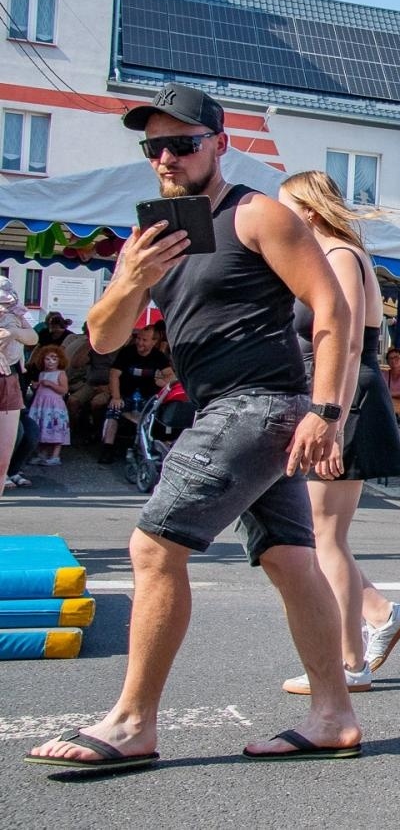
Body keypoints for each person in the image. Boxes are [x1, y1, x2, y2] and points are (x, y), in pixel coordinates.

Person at [26, 83, 360, 771]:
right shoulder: (152, 238)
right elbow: (105, 336)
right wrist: (131, 279)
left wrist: (326, 412)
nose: (168, 157)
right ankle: (333, 714)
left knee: (152, 548)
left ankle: (131, 722)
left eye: (183, 143)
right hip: (224, 408)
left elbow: (333, 307)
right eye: (155, 146)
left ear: (219, 143)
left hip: (261, 401)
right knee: (289, 559)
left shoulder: (256, 214)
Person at [276, 170, 400, 695]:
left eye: (285, 207)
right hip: (340, 398)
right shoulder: (333, 255)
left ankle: (350, 662)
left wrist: (330, 420)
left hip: (345, 399)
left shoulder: (339, 256)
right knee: (320, 535)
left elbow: (350, 343)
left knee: (324, 537)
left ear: (308, 211)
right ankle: (379, 614)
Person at [98, 326, 171, 463]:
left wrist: (162, 381)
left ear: (154, 342)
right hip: (124, 394)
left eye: (144, 340)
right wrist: (116, 397)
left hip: (147, 397)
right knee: (113, 411)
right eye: (138, 338)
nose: (140, 343)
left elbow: (171, 377)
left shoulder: (158, 357)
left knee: (156, 415)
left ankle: (148, 448)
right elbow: (114, 375)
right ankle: (107, 448)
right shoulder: (127, 353)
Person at [0, 278, 38, 495]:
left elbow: (32, 337)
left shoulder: (15, 314)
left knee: (3, 461)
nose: (4, 308)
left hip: (9, 379)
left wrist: (14, 332)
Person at [26, 343, 70, 466]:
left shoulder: (60, 373)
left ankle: (55, 455)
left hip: (54, 406)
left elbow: (64, 390)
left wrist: (51, 384)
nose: (50, 362)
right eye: (47, 359)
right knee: (42, 428)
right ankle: (42, 453)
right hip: (41, 405)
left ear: (59, 361)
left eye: (54, 359)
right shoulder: (41, 374)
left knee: (56, 429)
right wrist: (36, 385)